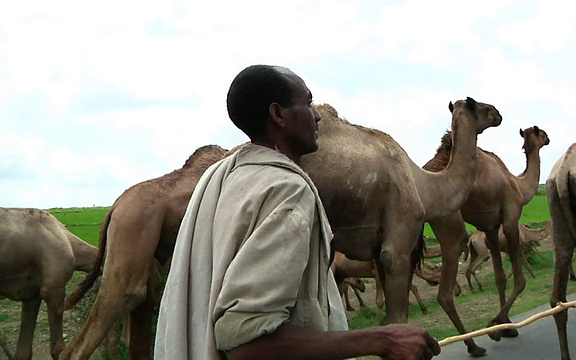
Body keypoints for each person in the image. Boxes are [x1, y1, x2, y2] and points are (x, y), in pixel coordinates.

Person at [154, 64, 441, 360]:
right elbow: (246, 340)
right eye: (307, 103)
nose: (317, 115)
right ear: (278, 114)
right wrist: (382, 340)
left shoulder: (220, 178)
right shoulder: (287, 190)